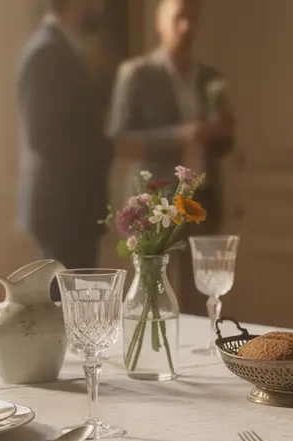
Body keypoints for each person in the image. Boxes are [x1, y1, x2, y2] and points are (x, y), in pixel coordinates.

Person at [106, 0, 235, 315]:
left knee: (201, 293)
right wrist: (180, 134)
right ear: (159, 21)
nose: (186, 27)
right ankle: (154, 357)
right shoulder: (136, 74)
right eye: (179, 18)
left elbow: (224, 145)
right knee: (153, 293)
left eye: (193, 19)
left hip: (202, 198)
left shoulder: (210, 78)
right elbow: (121, 142)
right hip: (154, 201)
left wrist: (222, 132)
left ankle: (196, 358)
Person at [16, 0, 114, 281]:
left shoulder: (65, 51)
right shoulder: (47, 52)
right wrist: (109, 149)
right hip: (62, 209)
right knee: (65, 312)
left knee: (76, 311)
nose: (101, 6)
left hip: (75, 208)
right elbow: (44, 138)